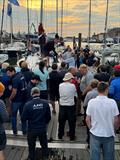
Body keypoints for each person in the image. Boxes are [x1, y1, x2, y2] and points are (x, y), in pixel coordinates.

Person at [86, 82, 119, 160]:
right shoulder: (112, 102)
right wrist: (114, 130)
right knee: (109, 157)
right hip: (109, 134)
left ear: (97, 90)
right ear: (107, 90)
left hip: (95, 134)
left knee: (94, 157)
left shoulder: (91, 102)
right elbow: (117, 120)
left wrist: (91, 128)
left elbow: (87, 119)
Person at [22, 87, 51, 160]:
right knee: (44, 144)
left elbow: (23, 118)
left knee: (31, 145)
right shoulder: (45, 103)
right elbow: (48, 117)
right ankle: (45, 157)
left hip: (32, 129)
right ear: (39, 93)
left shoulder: (27, 104)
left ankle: (32, 157)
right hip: (42, 128)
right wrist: (45, 123)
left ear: (31, 94)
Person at [6, 66, 27, 135]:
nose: (8, 75)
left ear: (13, 71)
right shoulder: (21, 75)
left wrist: (10, 98)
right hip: (23, 99)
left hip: (16, 100)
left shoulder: (15, 79)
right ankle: (24, 131)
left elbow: (14, 91)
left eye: (9, 73)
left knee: (14, 116)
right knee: (23, 116)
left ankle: (15, 131)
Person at [58, 72, 77, 141]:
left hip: (62, 105)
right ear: (69, 79)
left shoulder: (60, 85)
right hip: (70, 106)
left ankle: (60, 134)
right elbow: (75, 94)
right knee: (71, 122)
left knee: (61, 121)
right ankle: (72, 136)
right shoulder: (73, 86)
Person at [0, 82, 9, 160]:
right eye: (2, 91)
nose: (2, 93)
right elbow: (5, 117)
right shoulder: (0, 103)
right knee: (0, 152)